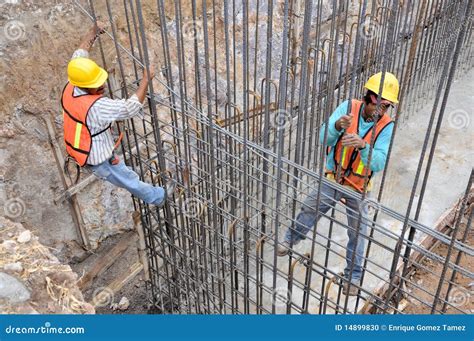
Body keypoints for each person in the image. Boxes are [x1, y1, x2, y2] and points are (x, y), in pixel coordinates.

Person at [278, 72, 399, 296]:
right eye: (377, 104)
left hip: (359, 187)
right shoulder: (348, 107)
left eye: (386, 106)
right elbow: (324, 138)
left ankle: (353, 277)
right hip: (334, 177)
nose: (380, 110)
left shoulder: (386, 126)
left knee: (359, 232)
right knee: (309, 209)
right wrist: (335, 125)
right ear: (368, 97)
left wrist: (364, 147)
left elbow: (379, 162)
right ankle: (289, 239)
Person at [61, 22, 166, 207]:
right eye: (97, 84)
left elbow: (80, 53)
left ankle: (128, 172)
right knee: (128, 180)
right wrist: (145, 81)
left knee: (125, 173)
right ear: (85, 85)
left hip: (84, 147)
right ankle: (157, 197)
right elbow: (131, 107)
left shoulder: (73, 84)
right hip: (97, 158)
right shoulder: (96, 106)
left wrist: (93, 32)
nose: (102, 86)